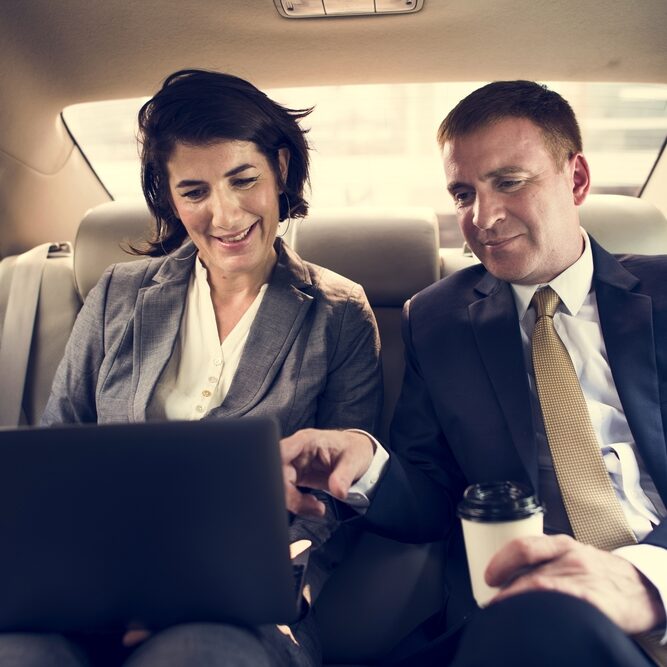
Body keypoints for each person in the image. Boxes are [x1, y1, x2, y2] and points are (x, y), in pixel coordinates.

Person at [282, 80, 667, 666]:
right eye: (463, 193)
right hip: (528, 622)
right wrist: (368, 464)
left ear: (578, 180)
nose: (482, 217)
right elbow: (433, 496)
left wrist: (639, 581)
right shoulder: (436, 322)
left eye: (509, 182)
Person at [23, 69, 383, 667]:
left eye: (244, 181)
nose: (225, 214)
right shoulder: (118, 295)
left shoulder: (339, 314)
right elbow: (54, 453)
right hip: (93, 590)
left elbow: (338, 504)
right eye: (194, 192)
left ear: (282, 171)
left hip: (243, 608)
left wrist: (262, 584)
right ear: (168, 197)